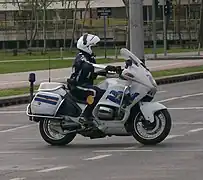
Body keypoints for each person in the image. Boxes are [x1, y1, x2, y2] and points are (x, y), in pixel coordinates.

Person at [69, 33, 118, 128]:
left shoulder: (90, 58)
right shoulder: (82, 57)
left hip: (85, 85)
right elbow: (90, 67)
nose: (95, 49)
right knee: (96, 92)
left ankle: (98, 115)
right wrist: (106, 67)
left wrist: (117, 71)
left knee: (107, 91)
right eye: (93, 47)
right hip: (77, 86)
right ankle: (85, 116)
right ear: (86, 46)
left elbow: (96, 71)